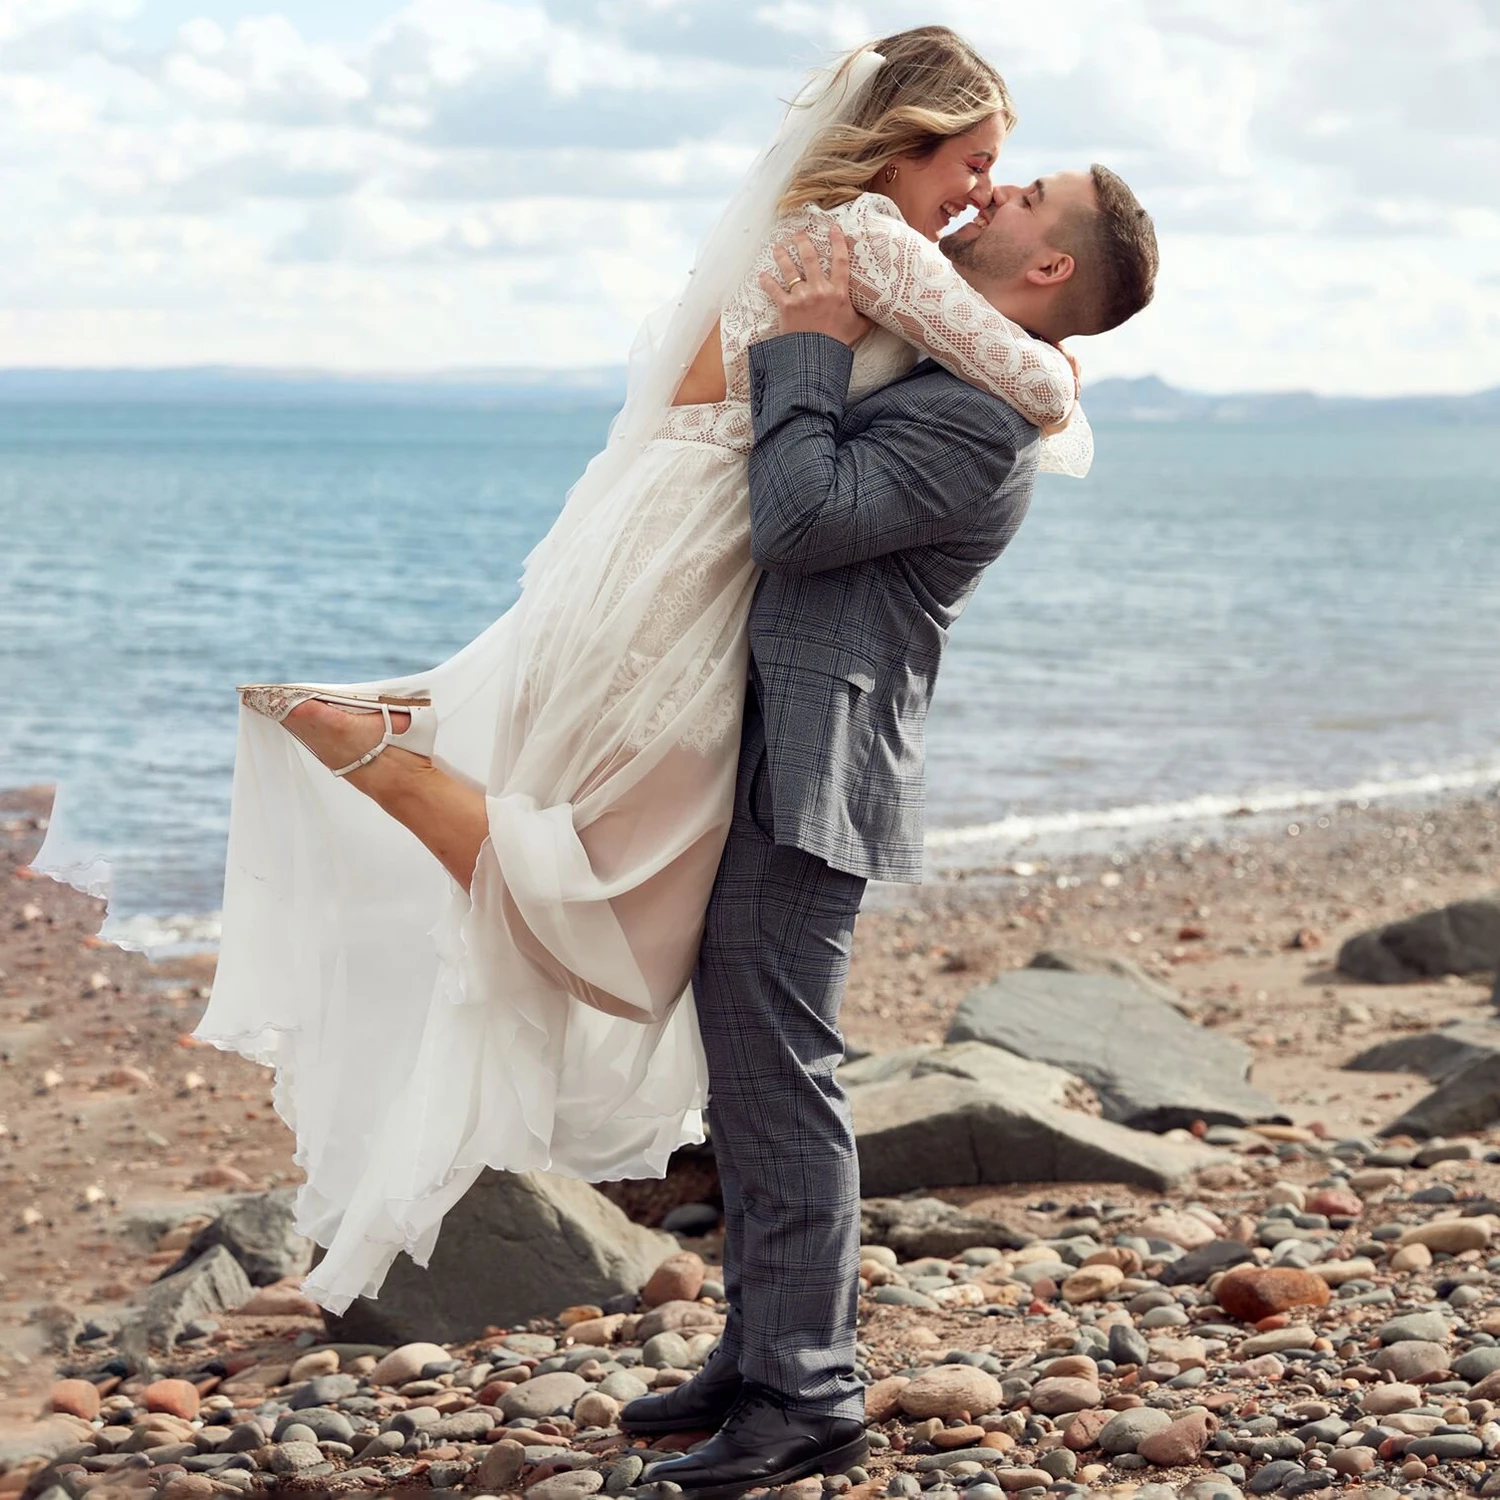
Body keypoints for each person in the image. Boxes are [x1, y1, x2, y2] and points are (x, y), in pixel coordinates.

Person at [185, 28, 1092, 1314]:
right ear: (906, 141)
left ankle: (414, 730)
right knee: (619, 893)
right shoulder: (871, 242)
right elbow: (1034, 393)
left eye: (1007, 178)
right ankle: (384, 754)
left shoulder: (818, 227)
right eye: (977, 161)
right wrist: (1067, 362)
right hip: (702, 544)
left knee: (617, 851)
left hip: (659, 525)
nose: (981, 192)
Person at [619, 166, 1158, 1496]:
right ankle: (757, 1355)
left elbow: (802, 521)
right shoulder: (949, 362)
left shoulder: (984, 415)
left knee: (783, 1076)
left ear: (1049, 271)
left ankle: (806, 1394)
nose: (1002, 190)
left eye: (1031, 194)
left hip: (816, 766)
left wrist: (804, 341)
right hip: (765, 743)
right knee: (746, 1072)